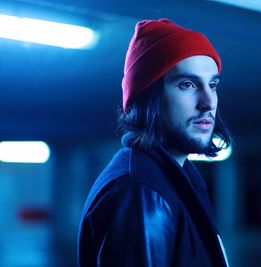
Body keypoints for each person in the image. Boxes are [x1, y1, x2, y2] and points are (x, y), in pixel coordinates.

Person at [77, 18, 232, 267]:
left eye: (212, 85)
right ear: (148, 96)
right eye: (188, 84)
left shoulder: (173, 179)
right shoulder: (141, 192)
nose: (208, 102)